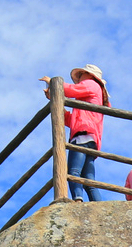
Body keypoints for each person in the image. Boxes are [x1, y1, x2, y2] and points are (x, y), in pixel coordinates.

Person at [42, 65, 108, 202]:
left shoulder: (91, 84)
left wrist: (52, 83)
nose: (79, 79)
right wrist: (53, 98)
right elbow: (71, 120)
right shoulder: (88, 101)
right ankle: (99, 205)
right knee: (89, 178)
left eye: (81, 75)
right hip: (90, 137)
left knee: (74, 172)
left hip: (82, 135)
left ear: (90, 75)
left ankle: (77, 200)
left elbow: (70, 90)